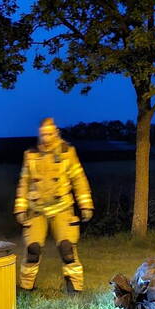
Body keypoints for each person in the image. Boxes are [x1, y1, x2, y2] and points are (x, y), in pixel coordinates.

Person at [14, 118, 93, 293]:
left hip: (63, 208)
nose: (46, 138)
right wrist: (20, 207)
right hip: (37, 210)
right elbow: (24, 182)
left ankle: (75, 290)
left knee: (67, 248)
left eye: (49, 134)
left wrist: (86, 204)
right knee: (32, 249)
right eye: (43, 134)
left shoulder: (67, 152)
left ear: (56, 133)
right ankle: (27, 289)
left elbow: (78, 179)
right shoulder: (31, 154)